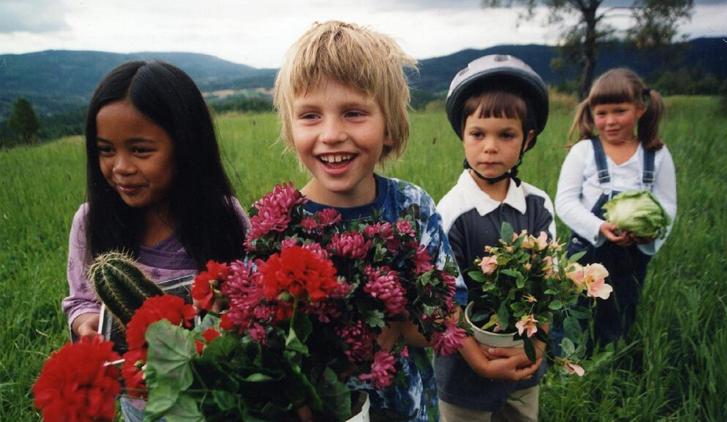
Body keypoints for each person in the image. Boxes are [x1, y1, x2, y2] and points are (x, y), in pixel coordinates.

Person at [273, 20, 465, 422]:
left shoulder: (412, 208)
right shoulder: (279, 224)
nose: (331, 134)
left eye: (354, 113)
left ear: (389, 126)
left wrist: (393, 325)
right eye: (310, 116)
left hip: (402, 408)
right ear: (290, 129)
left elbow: (448, 318)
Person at [61, 60, 249, 421]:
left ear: (186, 147)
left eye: (141, 150)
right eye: (105, 150)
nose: (121, 167)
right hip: (142, 403)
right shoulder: (90, 222)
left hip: (218, 398)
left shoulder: (223, 216)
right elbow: (80, 299)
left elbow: (250, 291)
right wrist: (84, 325)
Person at [434, 54, 553, 422]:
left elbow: (551, 282)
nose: (490, 147)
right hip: (465, 369)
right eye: (478, 133)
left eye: (506, 135)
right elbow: (443, 299)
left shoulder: (538, 205)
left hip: (524, 362)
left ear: (527, 139)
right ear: (462, 135)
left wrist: (539, 342)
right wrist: (479, 362)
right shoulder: (451, 212)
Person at [555, 68, 677, 346]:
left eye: (619, 111)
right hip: (587, 247)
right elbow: (565, 201)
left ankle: (610, 362)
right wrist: (598, 226)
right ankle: (569, 361)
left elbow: (668, 205)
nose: (610, 121)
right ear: (592, 114)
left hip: (632, 254)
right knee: (575, 312)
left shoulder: (656, 154)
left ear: (640, 109)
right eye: (602, 113)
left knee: (621, 311)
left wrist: (652, 235)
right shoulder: (584, 151)